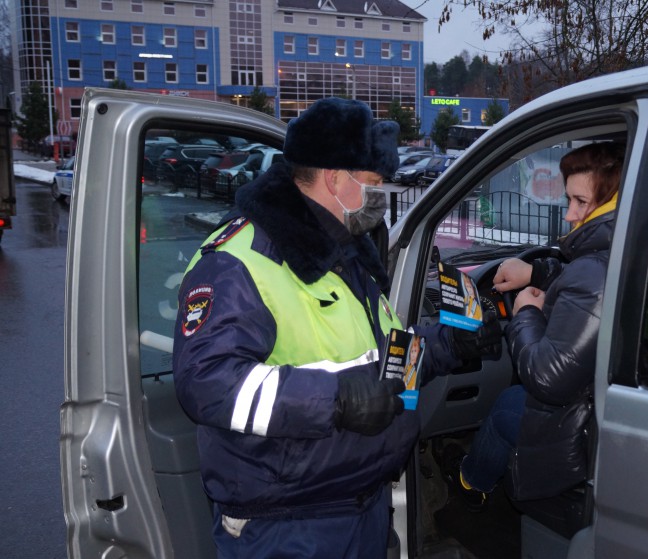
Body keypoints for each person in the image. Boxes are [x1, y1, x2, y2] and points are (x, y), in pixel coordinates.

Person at [172, 97, 500, 558]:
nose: (381, 197)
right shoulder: (239, 260)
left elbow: (381, 366)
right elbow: (206, 382)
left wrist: (449, 343)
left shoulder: (348, 254)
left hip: (360, 507)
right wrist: (334, 399)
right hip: (286, 525)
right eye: (373, 184)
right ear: (333, 177)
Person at [443, 142, 625, 511]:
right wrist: (535, 271)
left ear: (612, 203)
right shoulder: (621, 251)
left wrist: (526, 312)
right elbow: (578, 280)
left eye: (581, 202)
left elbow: (546, 379)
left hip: (579, 428)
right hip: (603, 404)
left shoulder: (595, 271)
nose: (571, 215)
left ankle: (471, 482)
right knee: (512, 400)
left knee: (506, 408)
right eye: (569, 200)